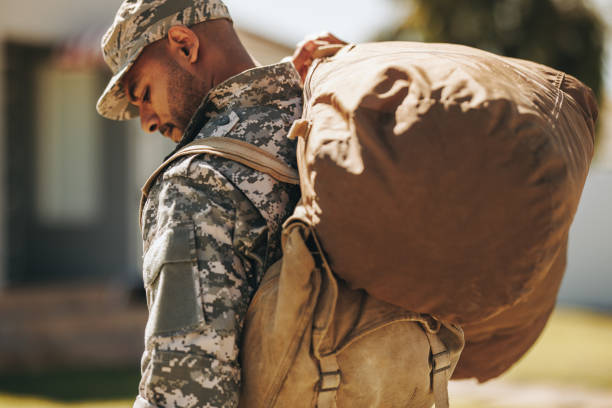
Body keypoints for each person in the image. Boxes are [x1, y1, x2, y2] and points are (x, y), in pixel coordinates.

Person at [96, 1, 341, 407]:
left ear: (184, 44)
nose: (147, 120)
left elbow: (185, 394)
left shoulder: (197, 181)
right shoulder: (324, 117)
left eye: (143, 93)